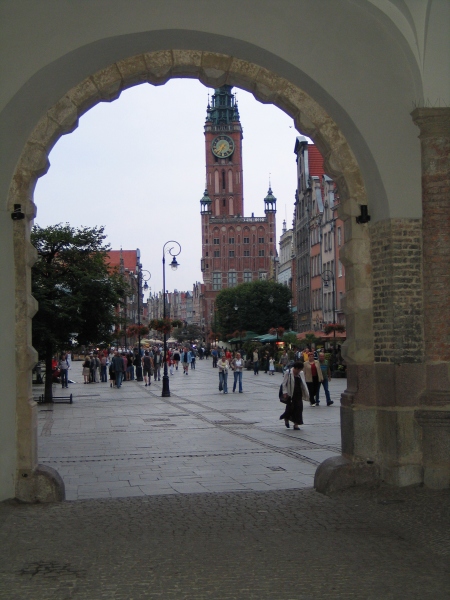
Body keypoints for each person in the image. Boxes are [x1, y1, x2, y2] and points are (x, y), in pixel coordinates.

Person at [280, 361, 308, 429]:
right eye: (298, 370)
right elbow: (284, 383)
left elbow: (303, 383)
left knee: (299, 408)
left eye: (300, 370)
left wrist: (306, 392)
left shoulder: (301, 373)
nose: (299, 371)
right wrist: (285, 392)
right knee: (290, 408)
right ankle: (286, 418)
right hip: (290, 393)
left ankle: (296, 424)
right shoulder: (288, 372)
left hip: (298, 393)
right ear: (295, 368)